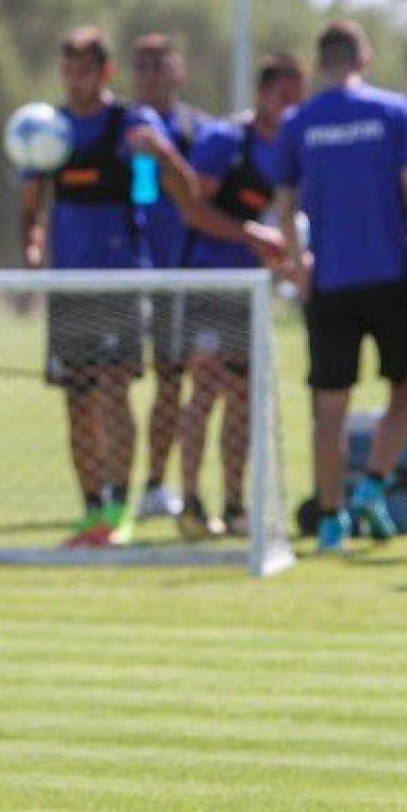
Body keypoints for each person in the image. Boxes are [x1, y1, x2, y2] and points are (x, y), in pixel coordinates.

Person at [275, 19, 407, 552]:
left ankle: (331, 520)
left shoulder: (299, 122)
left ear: (319, 64)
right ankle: (372, 486)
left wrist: (297, 263)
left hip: (330, 282)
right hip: (390, 277)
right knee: (405, 384)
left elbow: (284, 206)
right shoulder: (394, 112)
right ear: (365, 58)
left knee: (329, 408)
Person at [18, 27, 197, 546]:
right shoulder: (47, 130)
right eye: (67, 70)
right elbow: (30, 212)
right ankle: (91, 511)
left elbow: (174, 195)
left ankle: (120, 509)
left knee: (115, 394)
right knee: (77, 401)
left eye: (84, 70)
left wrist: (160, 154)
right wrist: (32, 254)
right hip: (69, 288)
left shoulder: (130, 124)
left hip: (121, 283)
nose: (75, 80)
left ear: (105, 73)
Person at [176, 54, 306, 538]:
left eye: (298, 99)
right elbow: (194, 210)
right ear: (262, 94)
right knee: (204, 390)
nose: (290, 107)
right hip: (209, 282)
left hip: (251, 290)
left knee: (243, 399)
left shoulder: (287, 149)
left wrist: (288, 256)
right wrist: (253, 235)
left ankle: (234, 506)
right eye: (283, 97)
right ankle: (189, 503)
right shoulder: (223, 141)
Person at [129, 33, 213, 522]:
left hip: (194, 269)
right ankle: (154, 484)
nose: (151, 74)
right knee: (163, 381)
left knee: (194, 382)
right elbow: (142, 198)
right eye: (141, 65)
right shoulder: (131, 129)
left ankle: (187, 487)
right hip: (147, 272)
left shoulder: (199, 128)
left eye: (160, 64)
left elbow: (202, 193)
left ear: (179, 71)